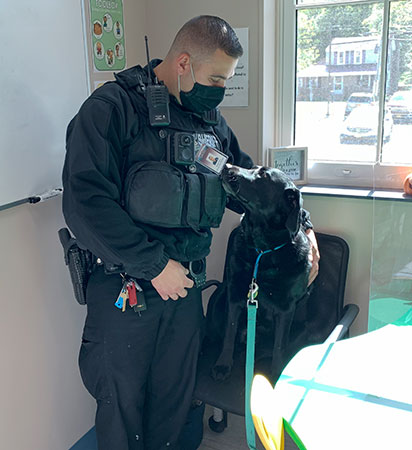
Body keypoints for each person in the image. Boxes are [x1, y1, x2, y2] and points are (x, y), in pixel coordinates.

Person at [62, 15, 319, 450]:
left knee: (175, 405)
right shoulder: (112, 110)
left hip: (183, 292)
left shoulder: (210, 124)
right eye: (216, 77)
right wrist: (155, 265)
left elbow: (252, 184)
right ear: (183, 63)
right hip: (128, 294)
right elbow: (85, 204)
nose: (220, 89)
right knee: (122, 409)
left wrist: (305, 227)